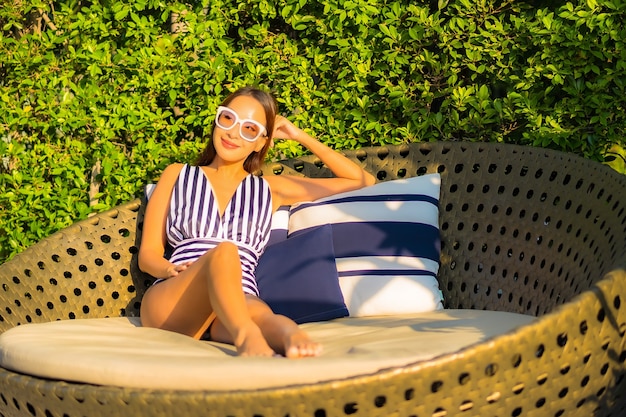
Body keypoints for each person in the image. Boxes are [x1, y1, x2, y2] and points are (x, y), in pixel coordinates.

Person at [138, 86, 375, 358]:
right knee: (225, 252)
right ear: (217, 119)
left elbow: (361, 181)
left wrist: (299, 136)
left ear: (261, 142)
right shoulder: (178, 174)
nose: (233, 132)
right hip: (175, 299)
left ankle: (291, 337)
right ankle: (246, 335)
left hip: (237, 298)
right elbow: (148, 255)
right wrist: (168, 270)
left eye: (249, 128)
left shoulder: (271, 189)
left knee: (266, 318)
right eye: (228, 118)